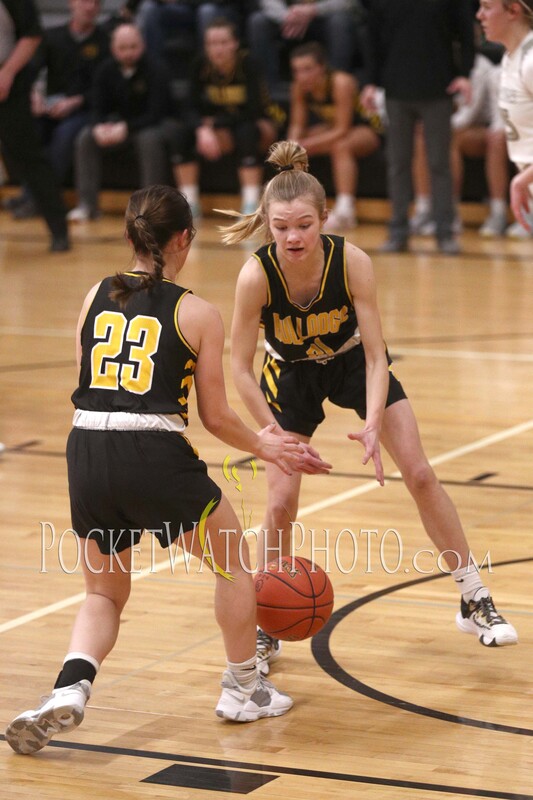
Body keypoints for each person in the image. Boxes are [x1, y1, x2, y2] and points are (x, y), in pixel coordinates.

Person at [4, 183, 325, 756]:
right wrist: (268, 445)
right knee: (233, 567)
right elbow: (216, 416)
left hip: (85, 450)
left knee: (103, 593)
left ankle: (70, 688)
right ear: (184, 239)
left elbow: (83, 384)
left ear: (130, 236)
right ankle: (243, 689)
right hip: (152, 453)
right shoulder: (196, 312)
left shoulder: (94, 294)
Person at [221, 140, 518, 676]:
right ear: (267, 221)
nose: (293, 236)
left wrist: (375, 421)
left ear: (325, 220)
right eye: (283, 226)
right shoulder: (255, 275)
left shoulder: (351, 261)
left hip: (352, 362)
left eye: (305, 225)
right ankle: (267, 621)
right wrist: (272, 435)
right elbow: (239, 369)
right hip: (287, 376)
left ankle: (472, 597)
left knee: (422, 473)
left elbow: (379, 355)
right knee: (281, 501)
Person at [361, 0, 475, 256]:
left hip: (438, 87)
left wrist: (465, 73)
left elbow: (466, 32)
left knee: (439, 162)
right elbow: (372, 38)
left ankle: (445, 231)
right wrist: (370, 81)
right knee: (398, 162)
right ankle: (398, 231)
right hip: (396, 88)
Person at [167, 18, 281, 218]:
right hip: (215, 126)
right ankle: (190, 202)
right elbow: (189, 109)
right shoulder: (199, 65)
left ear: (235, 44)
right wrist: (202, 129)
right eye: (212, 43)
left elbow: (255, 110)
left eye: (223, 43)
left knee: (247, 131)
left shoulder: (249, 64)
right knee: (180, 133)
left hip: (254, 123)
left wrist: (216, 124)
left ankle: (250, 203)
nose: (217, 49)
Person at [9, 0, 110, 220]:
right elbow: (31, 70)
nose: (90, 7)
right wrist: (34, 94)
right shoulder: (53, 36)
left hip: (85, 109)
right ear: (71, 4)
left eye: (95, 3)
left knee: (64, 136)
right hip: (52, 106)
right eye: (85, 2)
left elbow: (104, 88)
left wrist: (75, 101)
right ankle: (30, 193)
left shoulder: (105, 40)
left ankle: (39, 199)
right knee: (30, 129)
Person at [68, 23, 171, 222]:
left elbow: (156, 113)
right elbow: (96, 107)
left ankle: (149, 209)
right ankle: (87, 205)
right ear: (113, 49)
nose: (128, 53)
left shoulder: (157, 69)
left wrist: (127, 127)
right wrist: (99, 126)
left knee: (149, 140)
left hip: (147, 126)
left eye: (133, 47)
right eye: (123, 48)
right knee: (86, 137)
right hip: (117, 126)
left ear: (142, 46)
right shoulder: (105, 70)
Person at [410, 53, 509, 238]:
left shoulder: (480, 67)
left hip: (480, 128)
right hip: (460, 129)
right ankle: (425, 209)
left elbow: (468, 115)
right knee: (422, 137)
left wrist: (434, 126)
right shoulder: (435, 62)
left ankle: (496, 213)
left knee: (452, 137)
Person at [287, 41, 382, 231]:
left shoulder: (341, 82)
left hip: (369, 129)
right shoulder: (298, 87)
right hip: (335, 129)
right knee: (292, 148)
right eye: (297, 70)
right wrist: (291, 145)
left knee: (341, 145)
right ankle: (294, 205)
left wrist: (306, 145)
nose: (301, 76)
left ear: (322, 68)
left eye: (307, 69)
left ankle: (346, 210)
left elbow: (342, 129)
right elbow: (297, 125)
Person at [0, 0, 70, 251]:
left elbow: (32, 34)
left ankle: (59, 228)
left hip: (9, 84)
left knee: (27, 157)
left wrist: (7, 73)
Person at [477, 0, 533, 236]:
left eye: (487, 7)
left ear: (513, 10)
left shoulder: (531, 61)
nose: (479, 15)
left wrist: (522, 180)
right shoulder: (511, 58)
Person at [247, 0, 363, 93]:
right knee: (258, 22)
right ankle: (268, 88)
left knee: (339, 21)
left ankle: (337, 84)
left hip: (325, 15)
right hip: (290, 18)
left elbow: (350, 3)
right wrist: (287, 16)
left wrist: (313, 10)